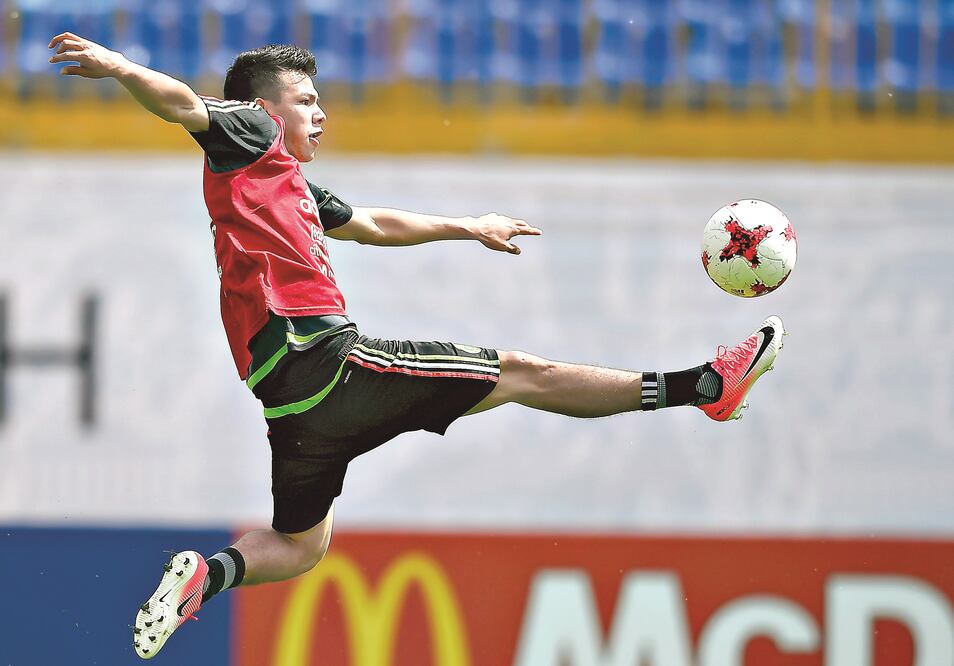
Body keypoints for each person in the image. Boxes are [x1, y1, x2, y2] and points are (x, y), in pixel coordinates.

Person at [47, 33, 786, 659]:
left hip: (291, 404)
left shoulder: (287, 185)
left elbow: (370, 223)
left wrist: (468, 224)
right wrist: (118, 67)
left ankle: (208, 576)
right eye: (307, 100)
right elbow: (184, 104)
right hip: (328, 361)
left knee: (301, 546)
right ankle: (703, 389)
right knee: (522, 373)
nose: (321, 112)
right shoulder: (251, 130)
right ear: (268, 108)